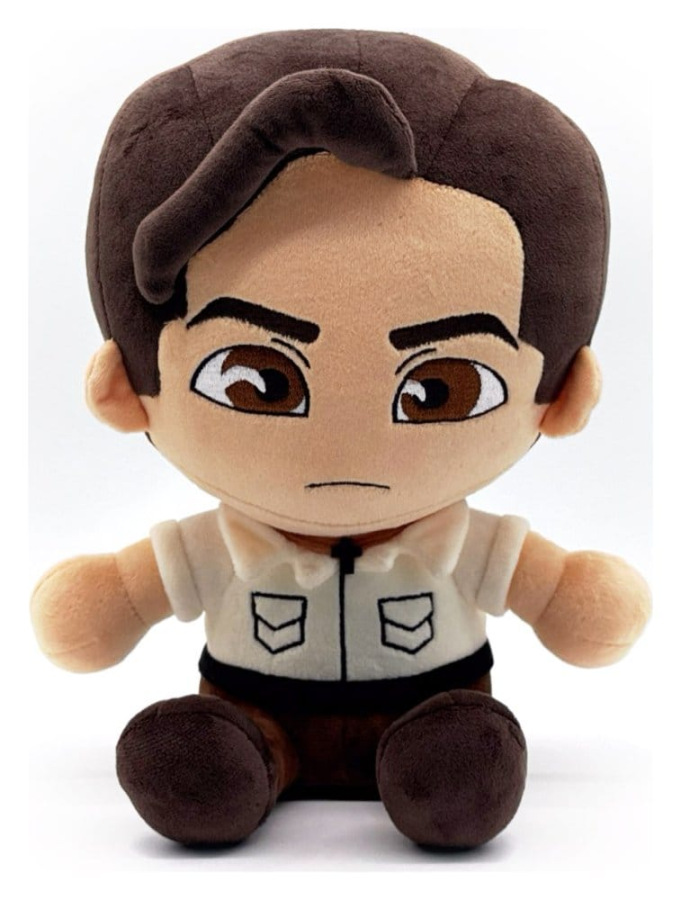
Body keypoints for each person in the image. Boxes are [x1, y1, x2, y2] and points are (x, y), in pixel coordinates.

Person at [31, 29, 650, 849]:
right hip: (255, 707)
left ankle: (442, 765)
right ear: (122, 387)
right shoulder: (220, 547)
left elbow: (559, 596)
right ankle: (237, 761)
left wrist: (573, 595)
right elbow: (113, 603)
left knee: (456, 763)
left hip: (431, 708)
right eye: (258, 380)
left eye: (440, 388)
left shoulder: (462, 545)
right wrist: (104, 601)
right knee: (198, 764)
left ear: (561, 395)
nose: (346, 453)